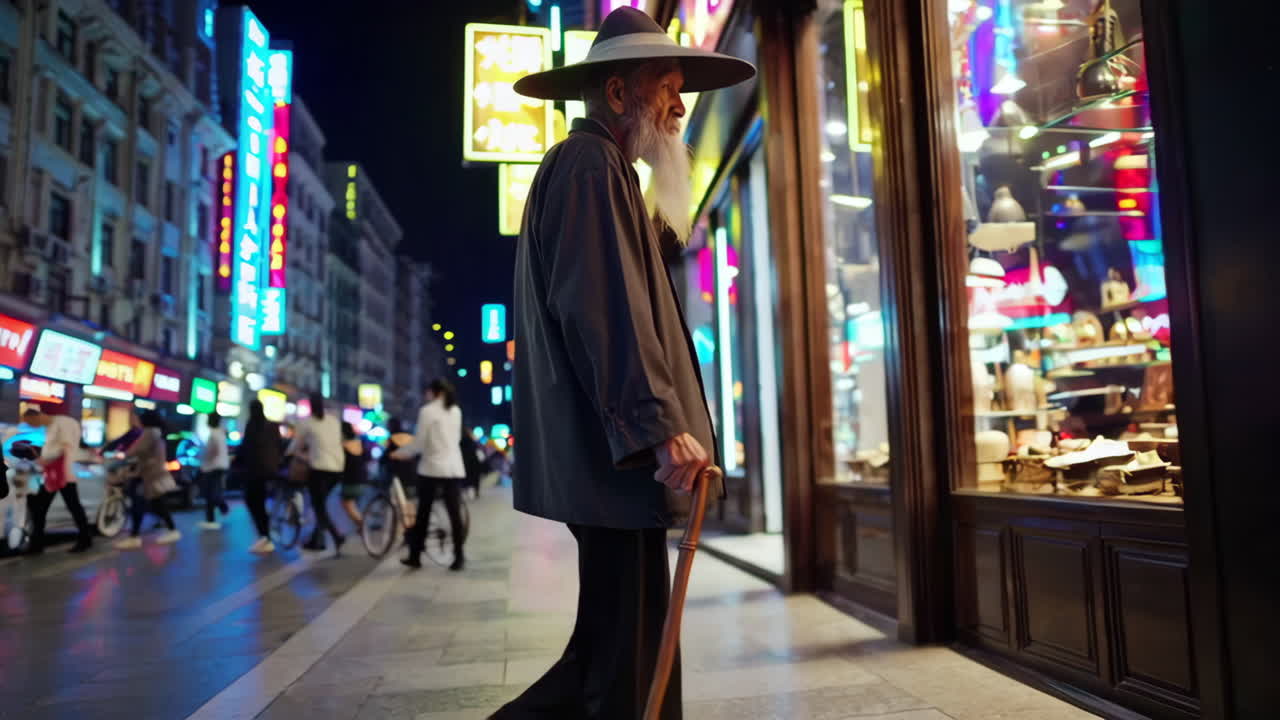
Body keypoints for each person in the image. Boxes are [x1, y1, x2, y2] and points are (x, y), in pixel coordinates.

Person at [494, 8, 753, 719]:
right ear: (617, 94)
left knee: (619, 651)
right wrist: (656, 428)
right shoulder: (587, 165)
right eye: (666, 87)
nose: (679, 106)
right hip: (621, 462)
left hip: (619, 462)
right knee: (618, 662)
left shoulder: (599, 168)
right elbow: (602, 312)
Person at [392, 379, 466, 571]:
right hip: (453, 468)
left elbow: (419, 442)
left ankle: (415, 556)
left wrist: (401, 453)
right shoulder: (455, 410)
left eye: (427, 391)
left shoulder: (428, 411)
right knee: (455, 514)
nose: (426, 395)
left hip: (432, 468)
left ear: (435, 392)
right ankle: (459, 556)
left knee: (423, 513)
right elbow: (455, 439)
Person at [23, 405, 94, 554]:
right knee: (41, 507)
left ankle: (84, 539)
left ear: (36, 416)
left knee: (70, 506)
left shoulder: (63, 423)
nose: (31, 426)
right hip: (53, 474)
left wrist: (45, 461)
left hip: (63, 473)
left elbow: (65, 448)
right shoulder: (49, 427)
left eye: (30, 422)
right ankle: (38, 544)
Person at [287, 392, 345, 553]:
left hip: (319, 469)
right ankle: (317, 540)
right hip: (338, 469)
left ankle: (336, 536)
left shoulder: (308, 423)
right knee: (320, 505)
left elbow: (296, 445)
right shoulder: (333, 421)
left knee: (319, 507)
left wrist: (288, 454)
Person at [114, 410, 180, 550]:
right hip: (150, 473)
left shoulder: (150, 432)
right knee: (156, 504)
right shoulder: (156, 432)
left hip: (148, 474)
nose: (136, 421)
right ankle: (170, 530)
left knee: (140, 503)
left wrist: (123, 455)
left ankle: (135, 537)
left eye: (137, 418)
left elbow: (138, 449)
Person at [234, 400, 281, 553]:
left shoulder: (252, 425)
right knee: (260, 503)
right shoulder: (272, 426)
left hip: (256, 472)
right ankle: (265, 535)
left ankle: (265, 536)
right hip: (271, 471)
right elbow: (279, 446)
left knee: (253, 502)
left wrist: (236, 462)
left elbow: (246, 447)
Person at [197, 413, 231, 530]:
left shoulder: (214, 435)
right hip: (221, 466)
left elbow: (210, 453)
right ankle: (220, 508)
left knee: (209, 493)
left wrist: (202, 463)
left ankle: (211, 518)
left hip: (212, 467)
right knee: (214, 491)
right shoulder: (221, 434)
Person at [338, 421, 367, 530]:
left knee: (347, 504)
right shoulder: (358, 443)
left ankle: (360, 524)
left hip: (350, 479)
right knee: (351, 503)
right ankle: (360, 524)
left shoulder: (343, 445)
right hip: (362, 478)